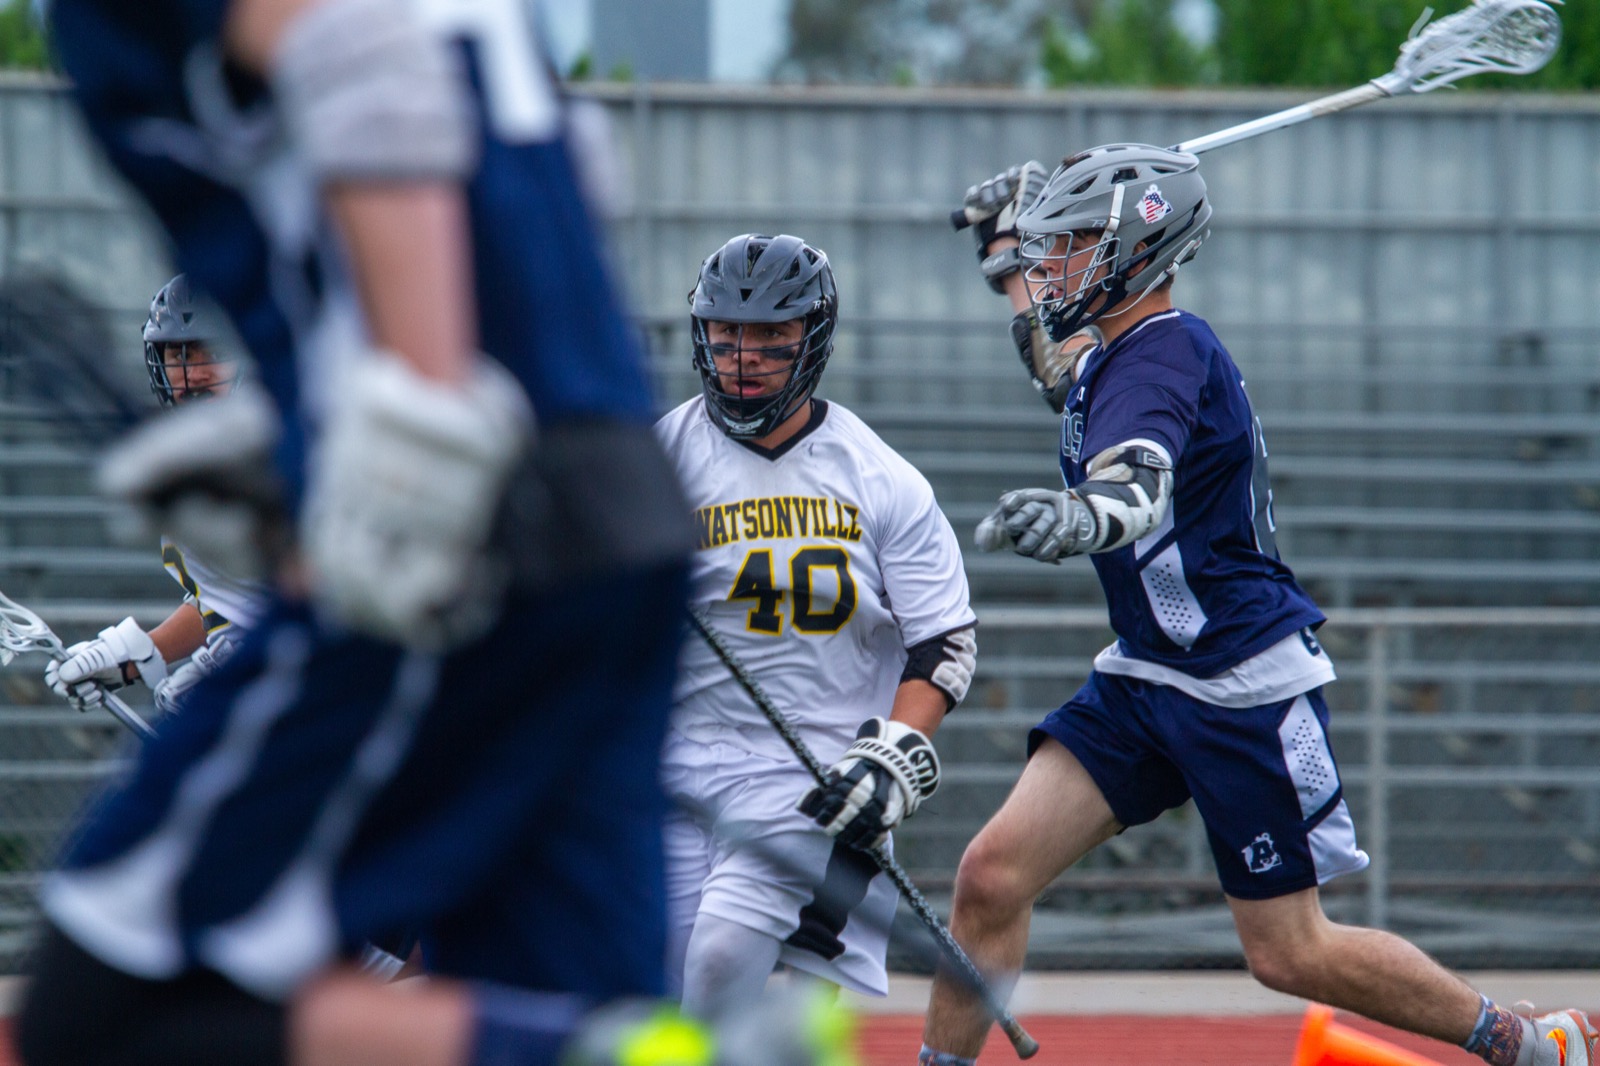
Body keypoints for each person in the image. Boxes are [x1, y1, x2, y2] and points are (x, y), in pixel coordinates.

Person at [16, 1, 701, 1065]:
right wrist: (303, 450)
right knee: (546, 994)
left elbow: (367, 62)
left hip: (478, 549)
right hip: (612, 505)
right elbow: (546, 183)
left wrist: (417, 434)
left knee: (108, 1005)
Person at [918, 144, 1597, 1066]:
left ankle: (1522, 1041)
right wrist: (1006, 248)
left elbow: (1139, 483)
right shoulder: (1111, 355)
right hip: (1146, 674)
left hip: (1237, 682)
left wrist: (1082, 518)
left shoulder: (1167, 353)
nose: (1052, 263)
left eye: (1074, 241)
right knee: (991, 880)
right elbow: (1058, 369)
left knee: (1288, 952)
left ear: (1135, 251)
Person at [655, 233, 978, 1021]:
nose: (744, 356)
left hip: (809, 765)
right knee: (652, 976)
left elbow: (944, 643)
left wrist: (895, 757)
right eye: (727, 334)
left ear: (813, 337)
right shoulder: (660, 456)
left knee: (720, 960)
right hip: (671, 760)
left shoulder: (879, 477)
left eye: (771, 335)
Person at [45, 274, 269, 723]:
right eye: (178, 354)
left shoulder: (294, 447)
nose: (195, 372)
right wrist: (142, 653)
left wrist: (249, 658)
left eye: (213, 351)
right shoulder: (185, 462)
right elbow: (237, 599)